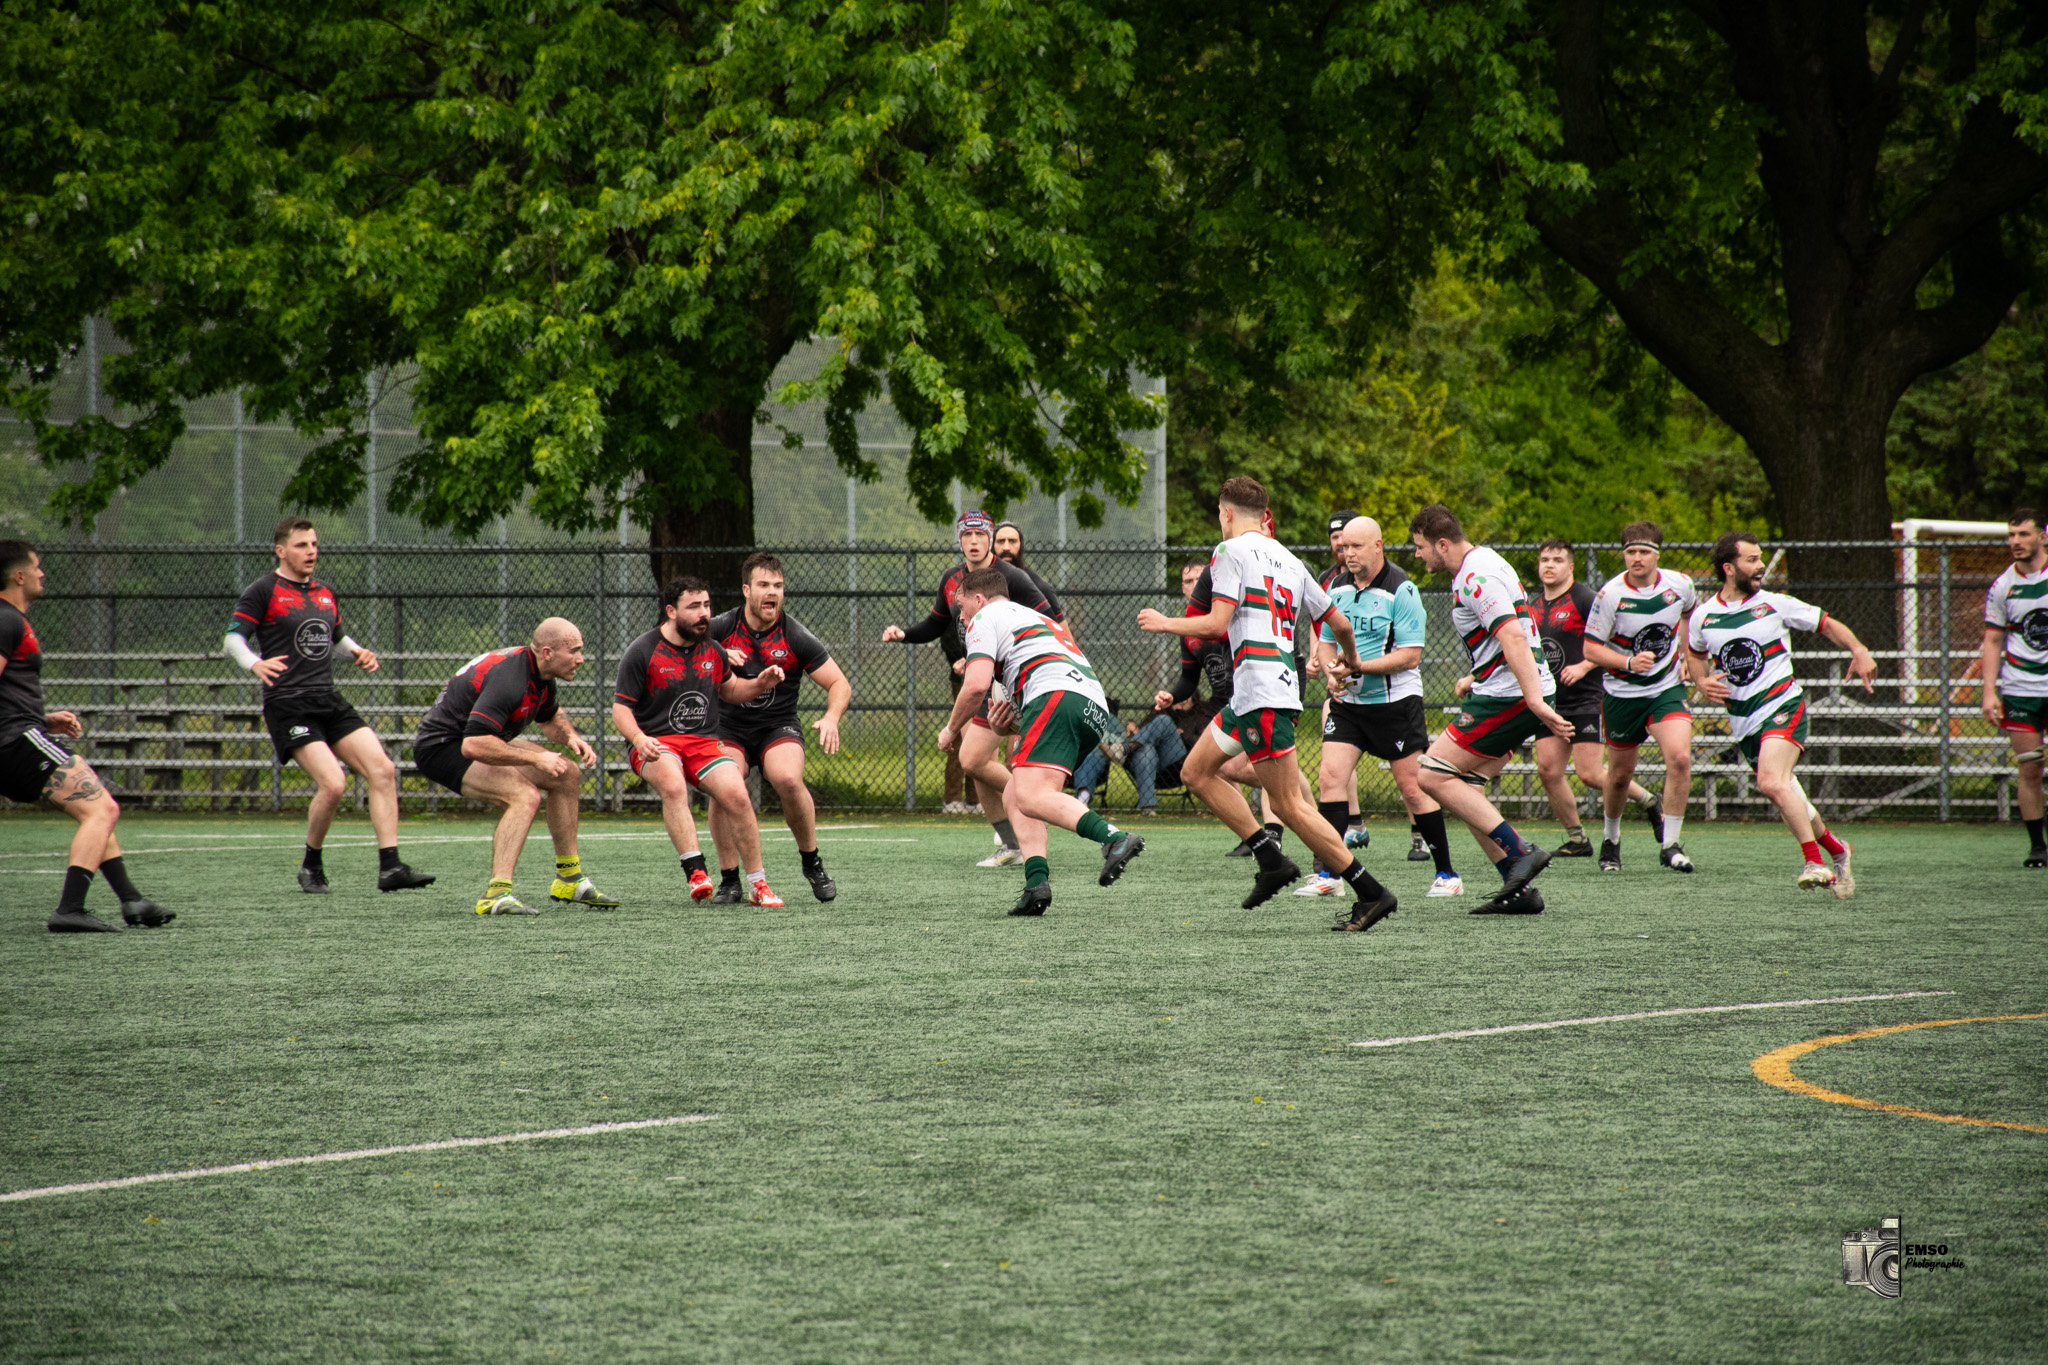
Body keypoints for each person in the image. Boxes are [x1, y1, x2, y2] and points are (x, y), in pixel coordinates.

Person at [1140, 477, 1399, 933]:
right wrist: (1353, 661)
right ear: (1264, 516)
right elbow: (1338, 623)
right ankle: (1270, 858)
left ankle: (1371, 892)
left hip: (1262, 694)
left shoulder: (1229, 553)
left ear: (1225, 513)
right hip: (1255, 693)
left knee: (1290, 806)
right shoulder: (1291, 560)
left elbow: (1219, 622)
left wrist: (1166, 623)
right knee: (1195, 772)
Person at [223, 517, 433, 895]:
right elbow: (233, 639)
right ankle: (311, 864)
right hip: (288, 703)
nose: (311, 552)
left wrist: (355, 652)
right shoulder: (263, 591)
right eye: (302, 545)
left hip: (326, 697)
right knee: (333, 784)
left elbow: (332, 638)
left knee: (383, 769)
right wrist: (254, 662)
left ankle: (391, 868)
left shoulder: (324, 592)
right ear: (281, 550)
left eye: (314, 544)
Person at [939, 567, 1145, 915]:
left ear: (979, 598)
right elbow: (1022, 715)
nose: (961, 616)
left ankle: (1114, 838)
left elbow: (975, 685)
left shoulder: (985, 617)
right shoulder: (1035, 620)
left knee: (1031, 795)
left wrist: (950, 729)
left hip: (1057, 696)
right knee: (1014, 792)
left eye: (961, 607)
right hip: (1093, 708)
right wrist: (1003, 727)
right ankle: (1037, 884)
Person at [1685, 532, 1876, 896]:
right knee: (1790, 796)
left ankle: (1813, 861)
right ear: (1729, 568)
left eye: (1760, 559)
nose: (1760, 567)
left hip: (1782, 704)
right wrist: (1701, 681)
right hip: (1743, 721)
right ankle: (1838, 851)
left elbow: (1827, 623)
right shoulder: (1703, 616)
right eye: (1752, 560)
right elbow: (1694, 655)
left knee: (1771, 781)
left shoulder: (1775, 603)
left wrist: (1859, 649)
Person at [0, 540, 173, 932]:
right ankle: (70, 909)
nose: (43, 573)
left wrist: (42, 719)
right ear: (19, 575)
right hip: (13, 741)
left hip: (19, 734)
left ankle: (132, 900)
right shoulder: (6, 619)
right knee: (102, 809)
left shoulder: (12, 618)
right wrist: (28, 726)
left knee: (94, 807)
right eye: (37, 567)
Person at [1408, 504, 1571, 915]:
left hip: (1510, 695)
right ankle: (1518, 892)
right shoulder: (1483, 561)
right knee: (1467, 788)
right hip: (1505, 688)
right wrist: (1475, 676)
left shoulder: (1474, 577)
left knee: (1431, 775)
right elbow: (1501, 639)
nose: (1417, 555)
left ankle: (1521, 853)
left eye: (1420, 546)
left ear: (1442, 544)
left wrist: (1532, 700)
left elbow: (1513, 637)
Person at [882, 510, 1058, 866]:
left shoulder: (1012, 577)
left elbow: (1050, 620)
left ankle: (1032, 804)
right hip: (987, 681)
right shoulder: (952, 580)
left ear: (990, 538)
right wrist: (905, 635)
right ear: (959, 540)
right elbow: (936, 622)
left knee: (1007, 757)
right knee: (973, 760)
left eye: (981, 535)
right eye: (968, 535)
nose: (974, 541)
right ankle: (1013, 840)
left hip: (1017, 681)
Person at [411, 618, 619, 916]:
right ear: (548, 652)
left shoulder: (541, 673)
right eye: (573, 651)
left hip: (477, 738)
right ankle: (496, 895)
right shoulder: (510, 680)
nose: (581, 659)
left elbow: (549, 717)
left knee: (566, 773)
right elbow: (473, 745)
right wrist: (535, 758)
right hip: (444, 747)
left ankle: (569, 879)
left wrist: (570, 736)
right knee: (523, 796)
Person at [1307, 516, 1464, 898]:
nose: (1348, 554)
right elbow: (1326, 640)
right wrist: (1331, 672)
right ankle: (1330, 874)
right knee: (1330, 777)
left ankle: (1447, 874)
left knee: (1413, 789)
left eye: (1356, 547)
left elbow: (1410, 656)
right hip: (1349, 704)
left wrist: (1358, 666)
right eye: (1343, 547)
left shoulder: (1402, 590)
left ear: (1378, 546)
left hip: (1395, 704)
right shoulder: (1337, 586)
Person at [615, 577, 793, 908]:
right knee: (672, 785)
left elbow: (732, 691)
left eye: (707, 606)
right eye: (694, 607)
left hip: (703, 743)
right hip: (657, 741)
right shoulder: (642, 650)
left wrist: (760, 683)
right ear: (671, 611)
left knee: (737, 795)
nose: (704, 614)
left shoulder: (712, 650)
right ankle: (696, 871)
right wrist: (638, 738)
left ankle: (759, 885)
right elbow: (620, 708)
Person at [709, 554, 853, 903]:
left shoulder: (795, 635)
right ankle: (730, 879)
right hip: (728, 727)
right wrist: (714, 653)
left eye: (778, 585)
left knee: (788, 779)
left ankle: (812, 862)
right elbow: (674, 646)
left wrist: (831, 717)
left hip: (778, 725)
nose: (772, 592)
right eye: (763, 585)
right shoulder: (719, 630)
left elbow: (839, 684)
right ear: (746, 590)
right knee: (724, 783)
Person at [1530, 537, 1659, 859]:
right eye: (1545, 559)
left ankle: (1648, 800)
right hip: (1551, 702)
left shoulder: (1586, 598)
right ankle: (1577, 839)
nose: (1549, 565)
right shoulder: (1532, 606)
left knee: (1589, 774)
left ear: (1570, 566)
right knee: (1548, 770)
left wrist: (1584, 665)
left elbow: (1611, 643)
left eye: (1557, 560)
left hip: (1587, 698)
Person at [1581, 523, 1699, 873]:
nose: (1636, 558)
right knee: (1618, 777)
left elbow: (1693, 615)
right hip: (1622, 694)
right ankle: (1611, 839)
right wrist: (1627, 662)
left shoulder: (1680, 585)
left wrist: (1688, 659)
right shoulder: (1610, 595)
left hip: (1664, 689)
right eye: (1630, 551)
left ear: (1657, 555)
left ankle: (1671, 845)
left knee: (1679, 758)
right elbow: (1590, 648)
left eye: (1644, 551)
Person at [1072, 559, 1210, 813]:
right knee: (1144, 746)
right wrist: (1138, 728)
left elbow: (1203, 739)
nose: (1194, 586)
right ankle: (1146, 805)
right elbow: (1187, 679)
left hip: (1180, 759)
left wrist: (1180, 733)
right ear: (1182, 587)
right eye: (1188, 581)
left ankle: (1122, 748)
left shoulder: (1201, 712)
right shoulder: (1187, 632)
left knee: (1163, 726)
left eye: (1199, 579)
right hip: (1149, 758)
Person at [1982, 507, 2048, 868]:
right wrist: (1989, 692)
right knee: (2030, 768)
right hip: (2021, 687)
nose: (2015, 542)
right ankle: (2038, 847)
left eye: (2023, 534)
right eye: (2011, 535)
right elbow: (1992, 641)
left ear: (2043, 536)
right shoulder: (2002, 586)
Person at [993, 520, 1067, 620]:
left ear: (1021, 545)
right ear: (992, 546)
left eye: (1012, 541)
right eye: (1000, 541)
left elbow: (1063, 633)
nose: (1006, 547)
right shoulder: (979, 582)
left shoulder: (1041, 588)